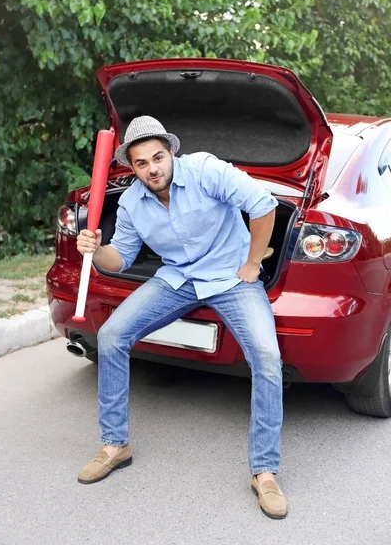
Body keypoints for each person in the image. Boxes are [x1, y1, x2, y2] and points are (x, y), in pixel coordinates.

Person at [76, 116, 287, 519]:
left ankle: (264, 471)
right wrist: (94, 248)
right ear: (132, 168)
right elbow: (119, 259)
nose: (152, 168)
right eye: (141, 163)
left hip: (231, 277)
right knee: (112, 335)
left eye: (158, 157)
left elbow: (264, 206)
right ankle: (115, 444)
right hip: (178, 279)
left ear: (171, 152)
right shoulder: (132, 202)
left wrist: (252, 262)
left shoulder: (206, 169)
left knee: (267, 358)